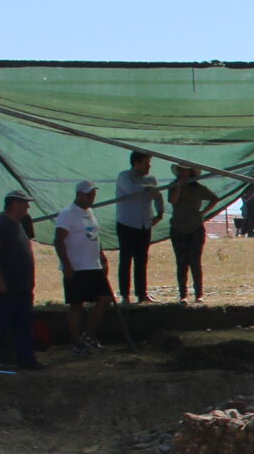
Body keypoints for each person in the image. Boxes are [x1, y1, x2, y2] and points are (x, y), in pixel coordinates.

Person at [0, 190, 42, 370]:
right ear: (14, 204)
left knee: (23, 323)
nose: (28, 206)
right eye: (24, 203)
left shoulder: (17, 224)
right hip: (5, 283)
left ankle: (26, 359)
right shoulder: (0, 223)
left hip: (21, 284)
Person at [53, 181, 112, 351]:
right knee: (76, 304)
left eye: (93, 195)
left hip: (93, 265)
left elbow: (94, 237)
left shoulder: (90, 212)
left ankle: (89, 334)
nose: (91, 198)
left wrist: (102, 257)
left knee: (105, 298)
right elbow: (59, 240)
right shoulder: (68, 213)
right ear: (79, 194)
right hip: (77, 266)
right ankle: (76, 342)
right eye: (88, 195)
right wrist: (67, 266)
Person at [110, 150, 164, 304]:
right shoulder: (124, 176)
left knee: (141, 260)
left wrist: (159, 213)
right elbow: (131, 190)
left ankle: (142, 294)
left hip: (144, 225)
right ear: (136, 163)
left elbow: (158, 196)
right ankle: (125, 296)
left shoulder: (151, 179)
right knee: (126, 260)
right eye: (146, 163)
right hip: (126, 223)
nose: (149, 166)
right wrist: (148, 189)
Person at [167, 165, 213, 301]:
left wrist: (202, 213)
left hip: (195, 228)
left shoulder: (198, 188)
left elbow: (214, 198)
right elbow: (173, 201)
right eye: (180, 170)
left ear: (191, 172)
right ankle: (183, 295)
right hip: (178, 228)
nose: (181, 172)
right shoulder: (173, 186)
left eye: (184, 170)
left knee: (195, 261)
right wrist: (180, 185)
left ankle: (199, 294)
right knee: (181, 262)